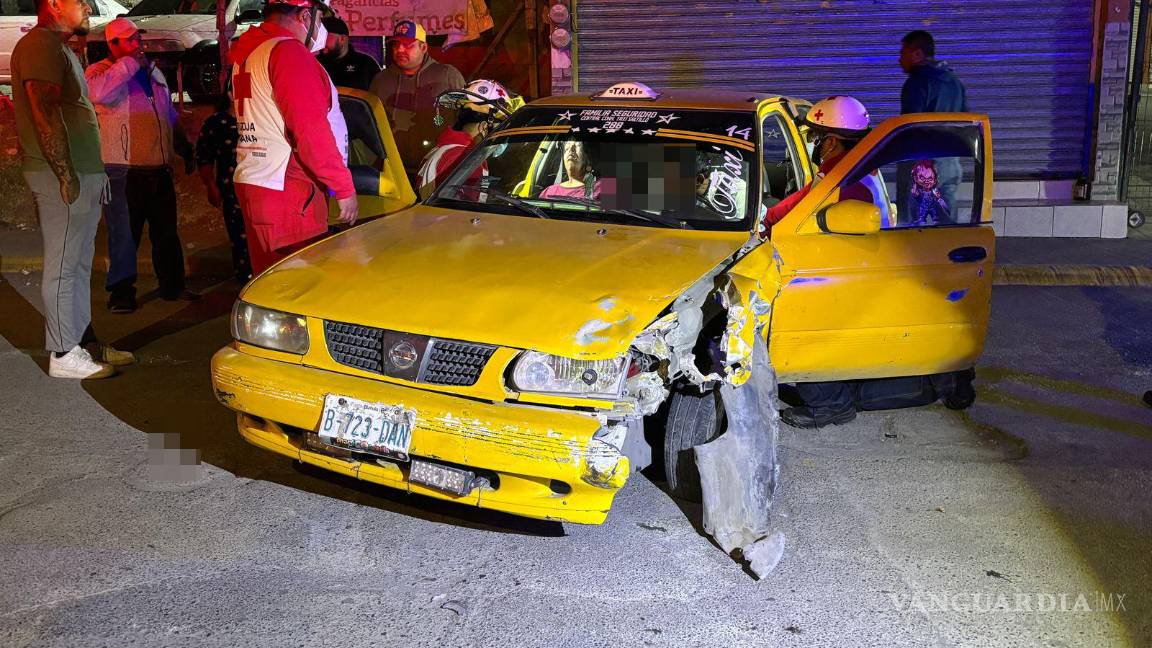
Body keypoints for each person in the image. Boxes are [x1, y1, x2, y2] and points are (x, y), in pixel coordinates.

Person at [11, 0, 134, 379]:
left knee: (78, 266)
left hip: (80, 171)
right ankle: (64, 354)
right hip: (64, 175)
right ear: (53, 4)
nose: (86, 5)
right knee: (65, 266)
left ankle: (83, 342)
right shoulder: (40, 45)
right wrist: (65, 174)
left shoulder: (57, 45)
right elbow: (43, 110)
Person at [228, 0, 356, 274]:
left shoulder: (253, 51)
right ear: (305, 15)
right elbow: (311, 132)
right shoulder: (288, 53)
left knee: (271, 288)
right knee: (297, 291)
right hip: (290, 193)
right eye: (320, 19)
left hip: (261, 182)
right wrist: (343, 187)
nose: (320, 28)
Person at [86, 17, 198, 311]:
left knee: (166, 233)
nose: (138, 44)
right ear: (113, 44)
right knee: (125, 235)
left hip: (157, 167)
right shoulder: (100, 73)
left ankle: (172, 287)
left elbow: (166, 113)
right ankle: (121, 294)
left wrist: (182, 146)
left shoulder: (152, 72)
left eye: (138, 38)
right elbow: (98, 94)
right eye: (130, 40)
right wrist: (128, 64)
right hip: (123, 170)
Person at [759, 95, 874, 235]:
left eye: (815, 138)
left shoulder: (835, 181)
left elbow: (781, 215)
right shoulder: (867, 171)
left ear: (831, 143)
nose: (813, 145)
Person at [368, 20, 465, 181]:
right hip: (394, 172)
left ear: (423, 47)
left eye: (408, 45)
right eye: (396, 45)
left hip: (438, 169)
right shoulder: (380, 80)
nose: (399, 50)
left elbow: (465, 118)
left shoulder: (447, 76)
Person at [897, 29, 968, 225]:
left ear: (918, 53)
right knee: (946, 225)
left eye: (903, 53)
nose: (899, 59)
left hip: (923, 164)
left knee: (912, 227)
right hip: (951, 164)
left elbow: (912, 126)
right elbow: (965, 121)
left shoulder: (917, 83)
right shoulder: (954, 82)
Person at [416, 78, 522, 194]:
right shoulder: (470, 161)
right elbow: (471, 209)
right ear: (484, 127)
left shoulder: (441, 150)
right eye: (499, 129)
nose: (501, 137)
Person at [196, 94, 252, 282]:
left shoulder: (258, 116)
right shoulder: (217, 122)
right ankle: (245, 283)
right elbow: (204, 157)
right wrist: (211, 186)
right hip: (232, 190)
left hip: (262, 189)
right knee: (240, 240)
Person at [316, 16, 379, 91]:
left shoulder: (366, 64)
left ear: (342, 39)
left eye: (324, 36)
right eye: (318, 36)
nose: (320, 41)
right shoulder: (315, 63)